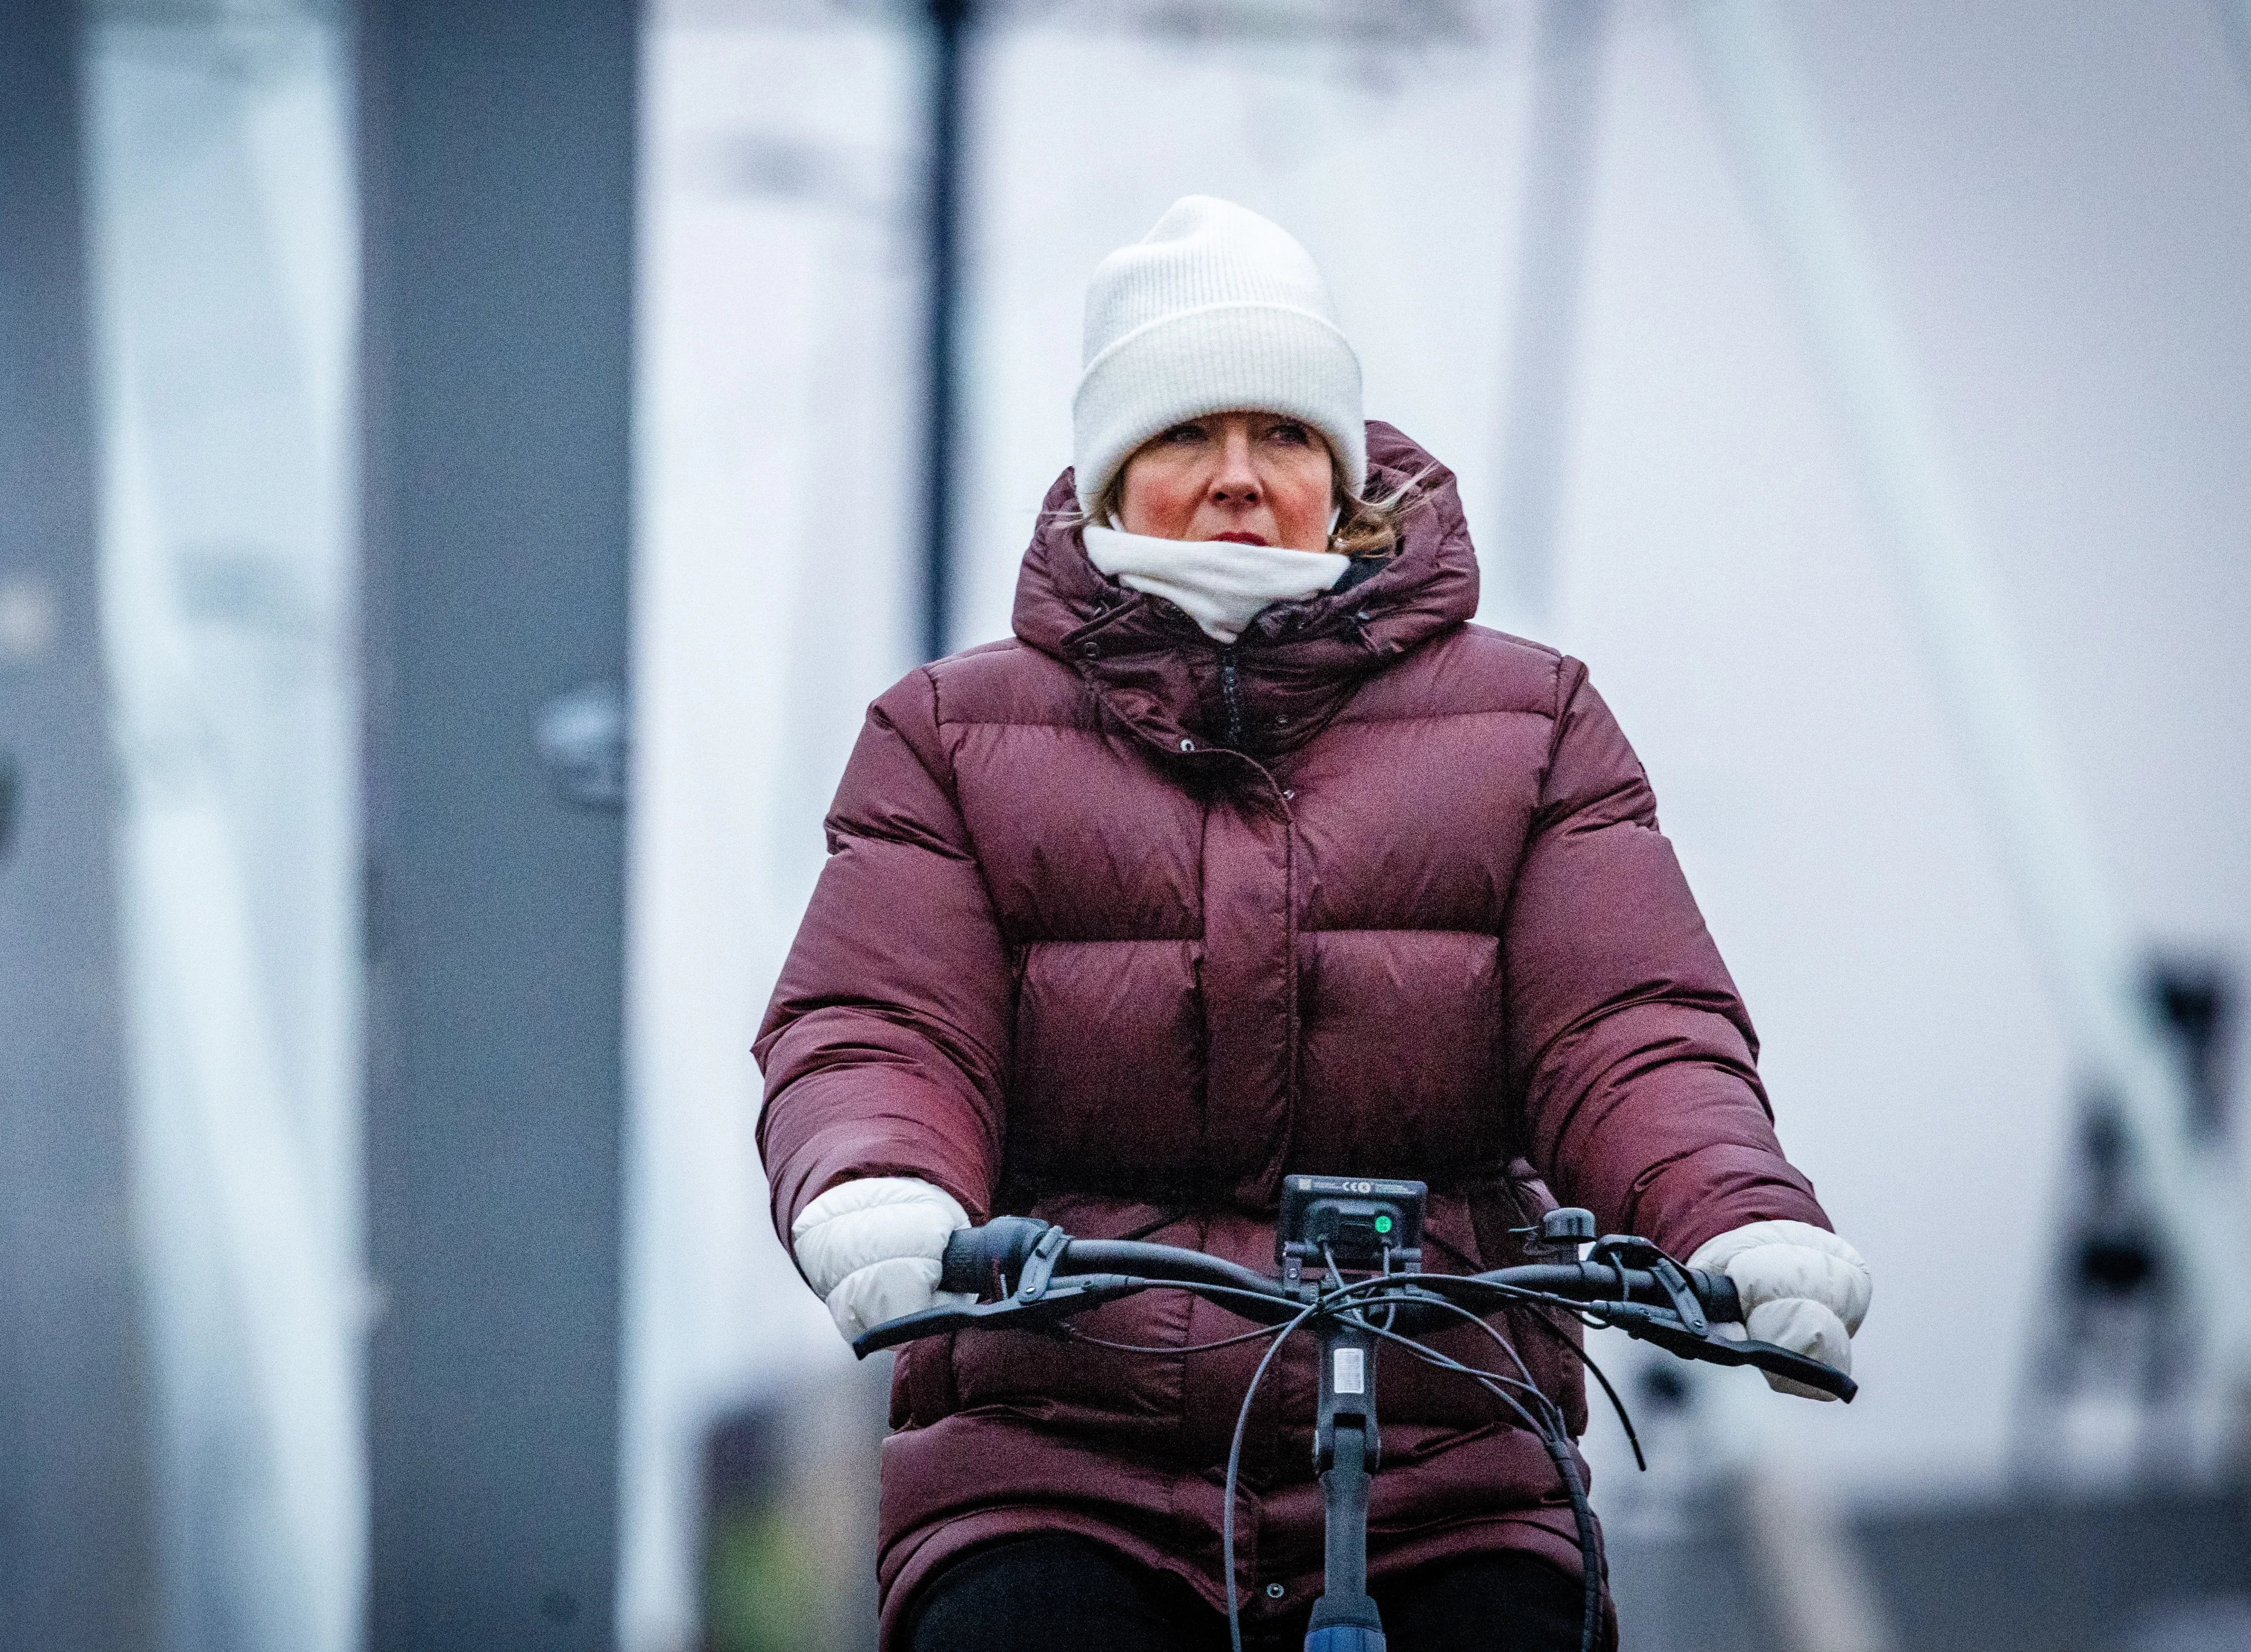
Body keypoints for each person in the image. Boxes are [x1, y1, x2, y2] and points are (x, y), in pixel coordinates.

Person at [755, 196, 1869, 1652]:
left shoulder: (1534, 728)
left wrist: (1738, 1215)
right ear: (1105, 476)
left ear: (1341, 477)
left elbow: (1629, 1030)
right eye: (1182, 435)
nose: (1237, 478)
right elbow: (881, 1023)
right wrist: (884, 1191)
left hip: (1447, 1458)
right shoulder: (948, 739)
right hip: (1060, 1462)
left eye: (1282, 436)